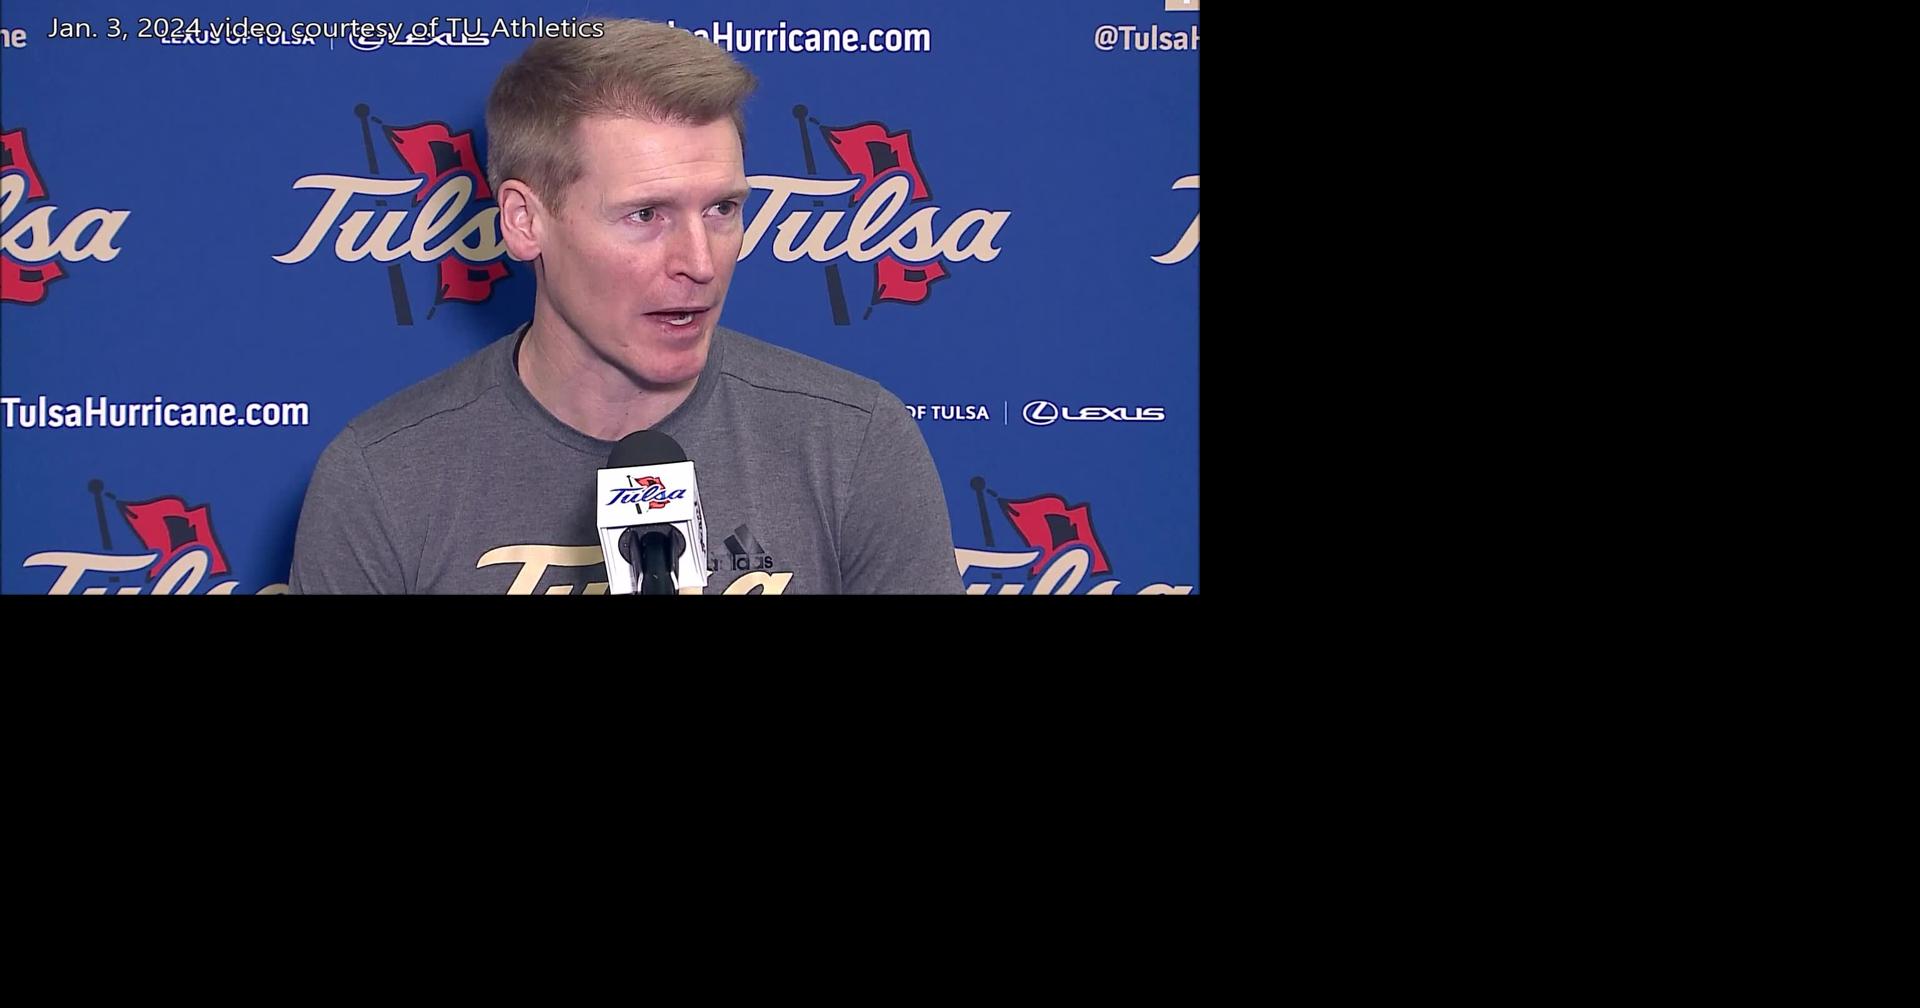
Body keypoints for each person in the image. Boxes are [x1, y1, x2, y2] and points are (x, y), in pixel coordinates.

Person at [288, 18, 962, 595]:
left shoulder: (854, 443)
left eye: (722, 209)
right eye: (646, 215)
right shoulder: (381, 479)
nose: (700, 262)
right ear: (524, 221)